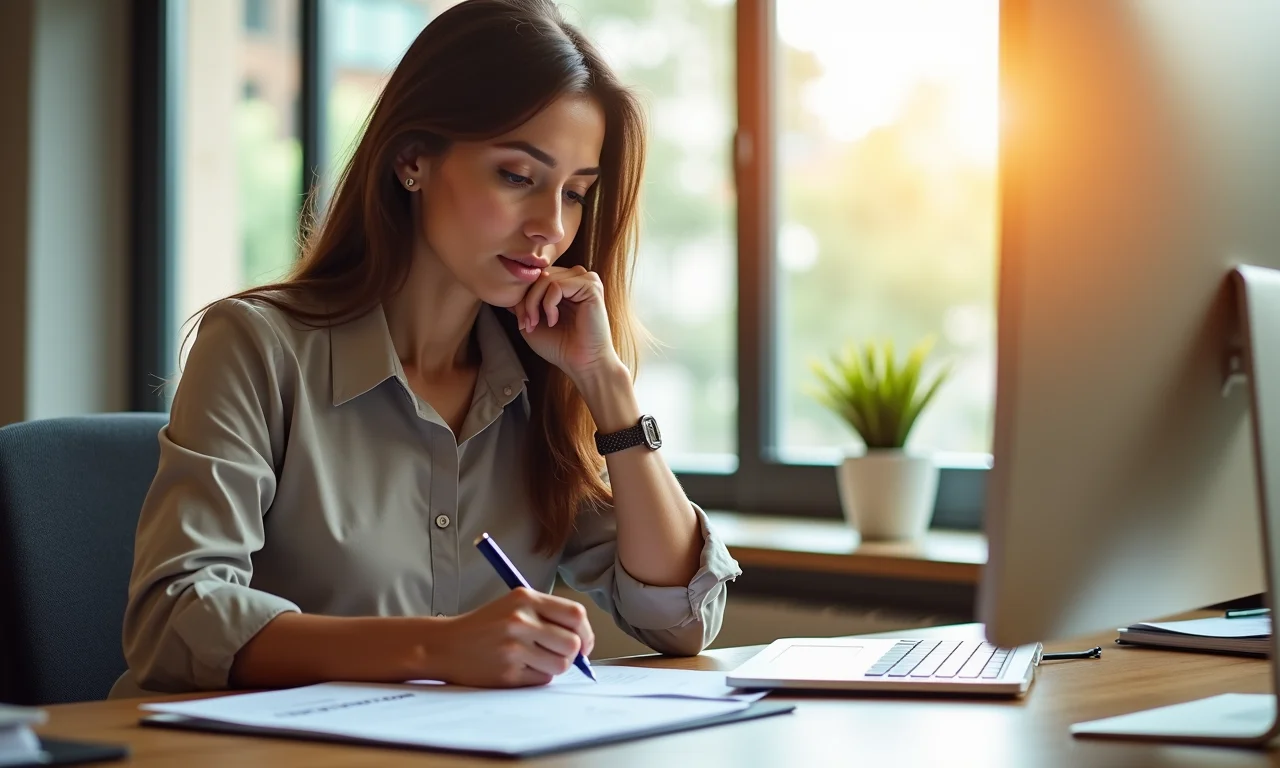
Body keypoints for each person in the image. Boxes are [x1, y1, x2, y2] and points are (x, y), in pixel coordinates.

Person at [109, 0, 741, 698]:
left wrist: (607, 386)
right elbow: (173, 619)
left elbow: (680, 618)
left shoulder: (544, 381)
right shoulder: (256, 347)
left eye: (575, 193)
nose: (550, 227)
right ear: (412, 160)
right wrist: (437, 647)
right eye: (516, 176)